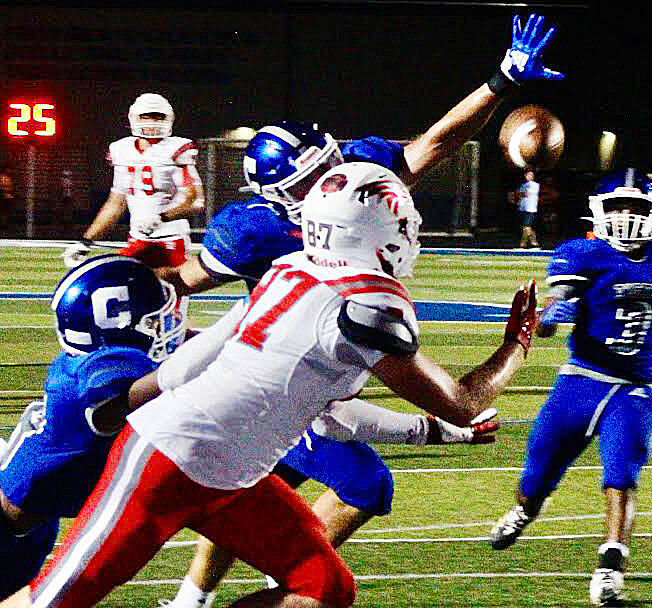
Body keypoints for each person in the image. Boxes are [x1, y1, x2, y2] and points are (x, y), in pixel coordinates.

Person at [153, 13, 564, 606]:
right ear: (277, 200)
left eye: (329, 165)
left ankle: (198, 596)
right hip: (295, 375)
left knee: (259, 487)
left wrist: (500, 83)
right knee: (364, 485)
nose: (331, 182)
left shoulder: (358, 176)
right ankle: (293, 579)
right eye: (310, 181)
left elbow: (439, 142)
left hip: (320, 370)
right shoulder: (255, 234)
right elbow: (184, 281)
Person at [2, 161, 538, 608]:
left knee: (325, 589)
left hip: (236, 476)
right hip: (166, 463)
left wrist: (430, 433)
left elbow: (325, 414)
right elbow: (463, 403)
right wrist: (517, 342)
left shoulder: (288, 268)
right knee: (53, 601)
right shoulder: (367, 305)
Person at [488, 167, 652, 606]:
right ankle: (524, 511)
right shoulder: (583, 254)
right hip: (580, 382)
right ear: (601, 210)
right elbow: (559, 302)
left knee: (622, 474)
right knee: (536, 480)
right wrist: (549, 317)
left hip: (634, 388)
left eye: (636, 206)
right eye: (618, 205)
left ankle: (611, 564)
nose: (627, 213)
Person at [0, 255, 185, 601]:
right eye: (153, 320)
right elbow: (151, 386)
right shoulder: (104, 378)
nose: (167, 326)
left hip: (27, 523)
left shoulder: (86, 361)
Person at [61, 93, 205, 271]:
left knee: (171, 291)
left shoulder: (176, 149)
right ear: (134, 118)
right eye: (147, 117)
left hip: (171, 240)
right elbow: (116, 204)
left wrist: (161, 218)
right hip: (137, 240)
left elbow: (196, 202)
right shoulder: (122, 150)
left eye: (158, 117)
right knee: (120, 287)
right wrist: (85, 241)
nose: (152, 123)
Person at [517, 168, 540, 249]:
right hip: (523, 208)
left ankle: (522, 243)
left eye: (531, 175)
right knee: (526, 227)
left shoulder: (535, 185)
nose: (529, 176)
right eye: (527, 175)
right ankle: (534, 242)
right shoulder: (523, 185)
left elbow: (525, 193)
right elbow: (520, 195)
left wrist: (521, 193)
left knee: (527, 226)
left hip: (531, 209)